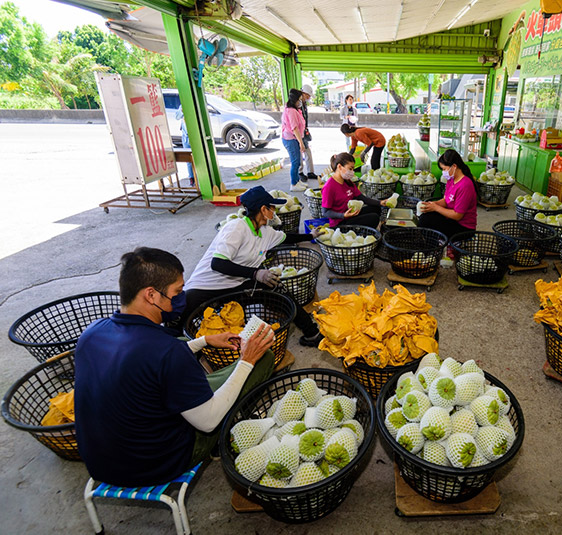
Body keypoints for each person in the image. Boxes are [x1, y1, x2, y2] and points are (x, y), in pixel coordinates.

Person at [74, 247, 276, 487]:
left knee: (181, 343)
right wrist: (247, 361)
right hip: (156, 464)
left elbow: (141, 364)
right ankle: (227, 432)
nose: (181, 298)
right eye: (177, 292)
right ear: (151, 295)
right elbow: (208, 421)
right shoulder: (166, 351)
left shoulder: (92, 333)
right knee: (262, 358)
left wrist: (203, 341)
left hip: (102, 463)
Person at [182, 186, 324, 347]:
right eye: (272, 208)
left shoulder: (266, 232)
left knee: (278, 289)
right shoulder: (236, 228)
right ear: (263, 209)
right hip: (205, 288)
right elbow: (218, 263)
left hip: (237, 284)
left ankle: (311, 333)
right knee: (183, 318)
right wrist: (256, 273)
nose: (274, 212)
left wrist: (310, 236)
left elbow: (287, 238)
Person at [419, 149, 478, 239]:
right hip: (451, 219)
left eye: (444, 169)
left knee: (426, 221)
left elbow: (457, 216)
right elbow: (446, 201)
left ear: (454, 166)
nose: (443, 172)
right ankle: (434, 245)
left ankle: (436, 247)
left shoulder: (465, 185)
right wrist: (432, 204)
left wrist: (436, 208)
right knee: (425, 217)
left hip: (463, 227)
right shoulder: (451, 179)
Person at [321, 152, 386, 229]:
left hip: (350, 215)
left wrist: (380, 202)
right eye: (350, 168)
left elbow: (362, 198)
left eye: (353, 169)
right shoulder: (329, 187)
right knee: (374, 218)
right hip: (340, 222)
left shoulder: (347, 182)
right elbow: (325, 212)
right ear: (339, 167)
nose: (352, 172)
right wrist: (343, 215)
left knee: (376, 208)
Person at [281, 88, 307, 192]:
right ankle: (294, 184)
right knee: (295, 162)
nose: (300, 101)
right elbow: (294, 128)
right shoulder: (291, 111)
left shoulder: (294, 109)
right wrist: (301, 143)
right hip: (291, 139)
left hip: (293, 138)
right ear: (295, 99)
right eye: (299, 99)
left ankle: (297, 181)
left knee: (298, 162)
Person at [299, 85, 317, 181]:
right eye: (308, 96)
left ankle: (310, 172)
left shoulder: (304, 104)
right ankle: (300, 172)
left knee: (307, 151)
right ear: (304, 93)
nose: (309, 98)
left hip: (304, 131)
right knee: (299, 152)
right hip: (297, 133)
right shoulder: (297, 104)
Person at [175, 105, 194, 187]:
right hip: (186, 138)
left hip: (194, 136)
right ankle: (192, 178)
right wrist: (182, 111)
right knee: (188, 159)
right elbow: (177, 117)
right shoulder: (182, 106)